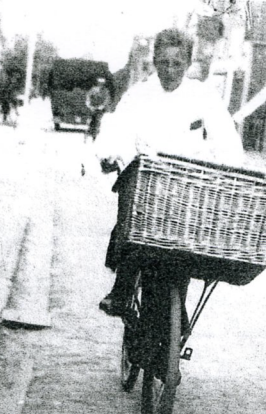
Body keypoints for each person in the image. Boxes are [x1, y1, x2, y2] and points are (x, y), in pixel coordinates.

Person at [93, 28, 244, 316]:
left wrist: (230, 167)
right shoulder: (139, 95)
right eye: (163, 62)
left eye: (177, 63)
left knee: (187, 250)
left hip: (188, 189)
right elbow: (116, 127)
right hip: (147, 184)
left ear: (188, 64)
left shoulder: (203, 97)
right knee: (133, 222)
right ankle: (123, 288)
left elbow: (225, 138)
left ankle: (175, 312)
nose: (170, 70)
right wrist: (109, 153)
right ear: (154, 62)